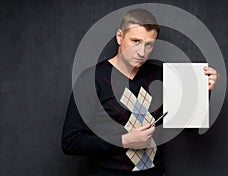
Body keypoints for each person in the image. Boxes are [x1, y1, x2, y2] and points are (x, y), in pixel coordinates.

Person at [62, 9, 219, 176]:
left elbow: (188, 127)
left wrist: (203, 90)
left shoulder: (162, 76)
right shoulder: (91, 79)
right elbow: (71, 142)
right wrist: (124, 141)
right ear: (120, 37)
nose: (142, 52)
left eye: (148, 44)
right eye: (135, 41)